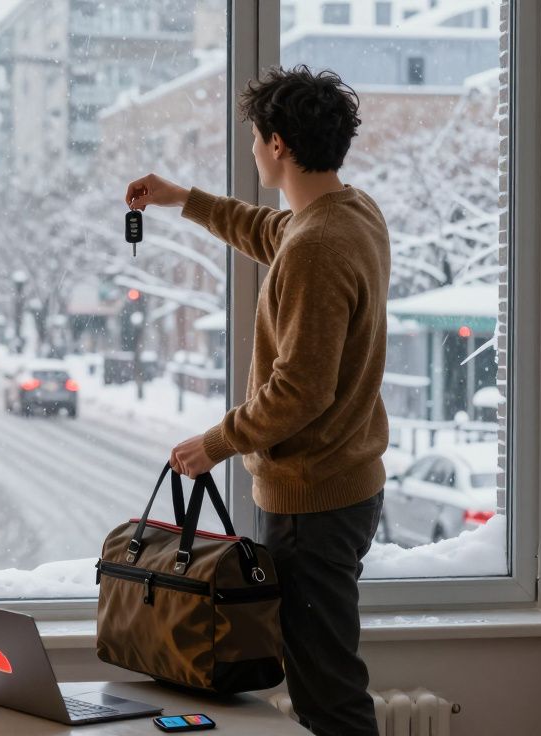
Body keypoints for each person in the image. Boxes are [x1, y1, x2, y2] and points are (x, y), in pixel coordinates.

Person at [125, 65, 388, 736]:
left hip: (314, 500)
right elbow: (270, 232)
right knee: (323, 677)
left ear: (277, 145)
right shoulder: (349, 213)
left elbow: (300, 390)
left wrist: (214, 442)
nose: (250, 150)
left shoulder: (319, 245)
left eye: (252, 139)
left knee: (326, 694)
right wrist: (182, 198)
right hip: (339, 487)